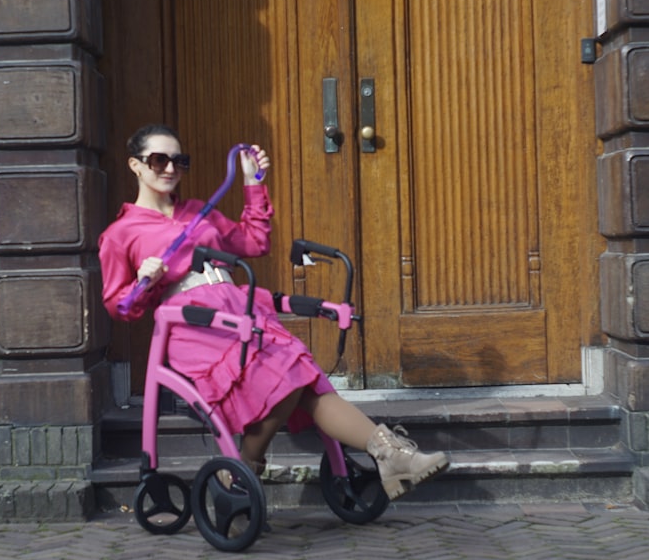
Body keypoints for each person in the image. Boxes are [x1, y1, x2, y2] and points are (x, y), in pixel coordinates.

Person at [98, 123, 448, 500]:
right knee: (284, 376)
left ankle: (391, 455)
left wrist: (253, 182)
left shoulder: (199, 212)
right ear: (135, 165)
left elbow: (254, 241)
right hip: (194, 325)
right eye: (158, 160)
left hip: (238, 307)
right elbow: (119, 307)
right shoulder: (121, 233)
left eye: (178, 161)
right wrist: (144, 282)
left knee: (305, 376)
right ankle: (241, 473)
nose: (170, 168)